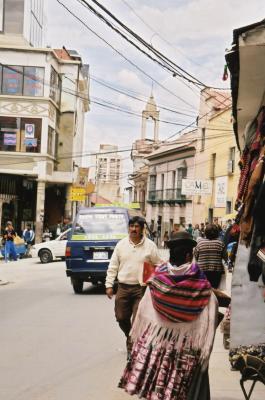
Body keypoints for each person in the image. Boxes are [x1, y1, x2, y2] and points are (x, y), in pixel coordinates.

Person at [119, 231, 218, 399]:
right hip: (185, 349)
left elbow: (144, 313)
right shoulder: (202, 286)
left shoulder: (157, 279)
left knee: (159, 385)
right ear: (188, 255)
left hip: (157, 344)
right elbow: (209, 322)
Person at [105, 216, 162, 356]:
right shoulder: (121, 245)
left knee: (138, 319)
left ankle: (133, 345)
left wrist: (154, 278)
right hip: (123, 287)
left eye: (137, 227)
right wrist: (109, 284)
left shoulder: (150, 246)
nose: (133, 229)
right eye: (131, 226)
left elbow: (159, 264)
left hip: (141, 289)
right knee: (121, 317)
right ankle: (130, 336)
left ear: (142, 229)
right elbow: (113, 266)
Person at [194, 224, 228, 288]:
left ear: (205, 232)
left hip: (202, 271)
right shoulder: (220, 243)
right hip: (216, 271)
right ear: (217, 233)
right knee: (214, 290)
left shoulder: (200, 243)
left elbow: (195, 256)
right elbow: (226, 258)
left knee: (203, 290)